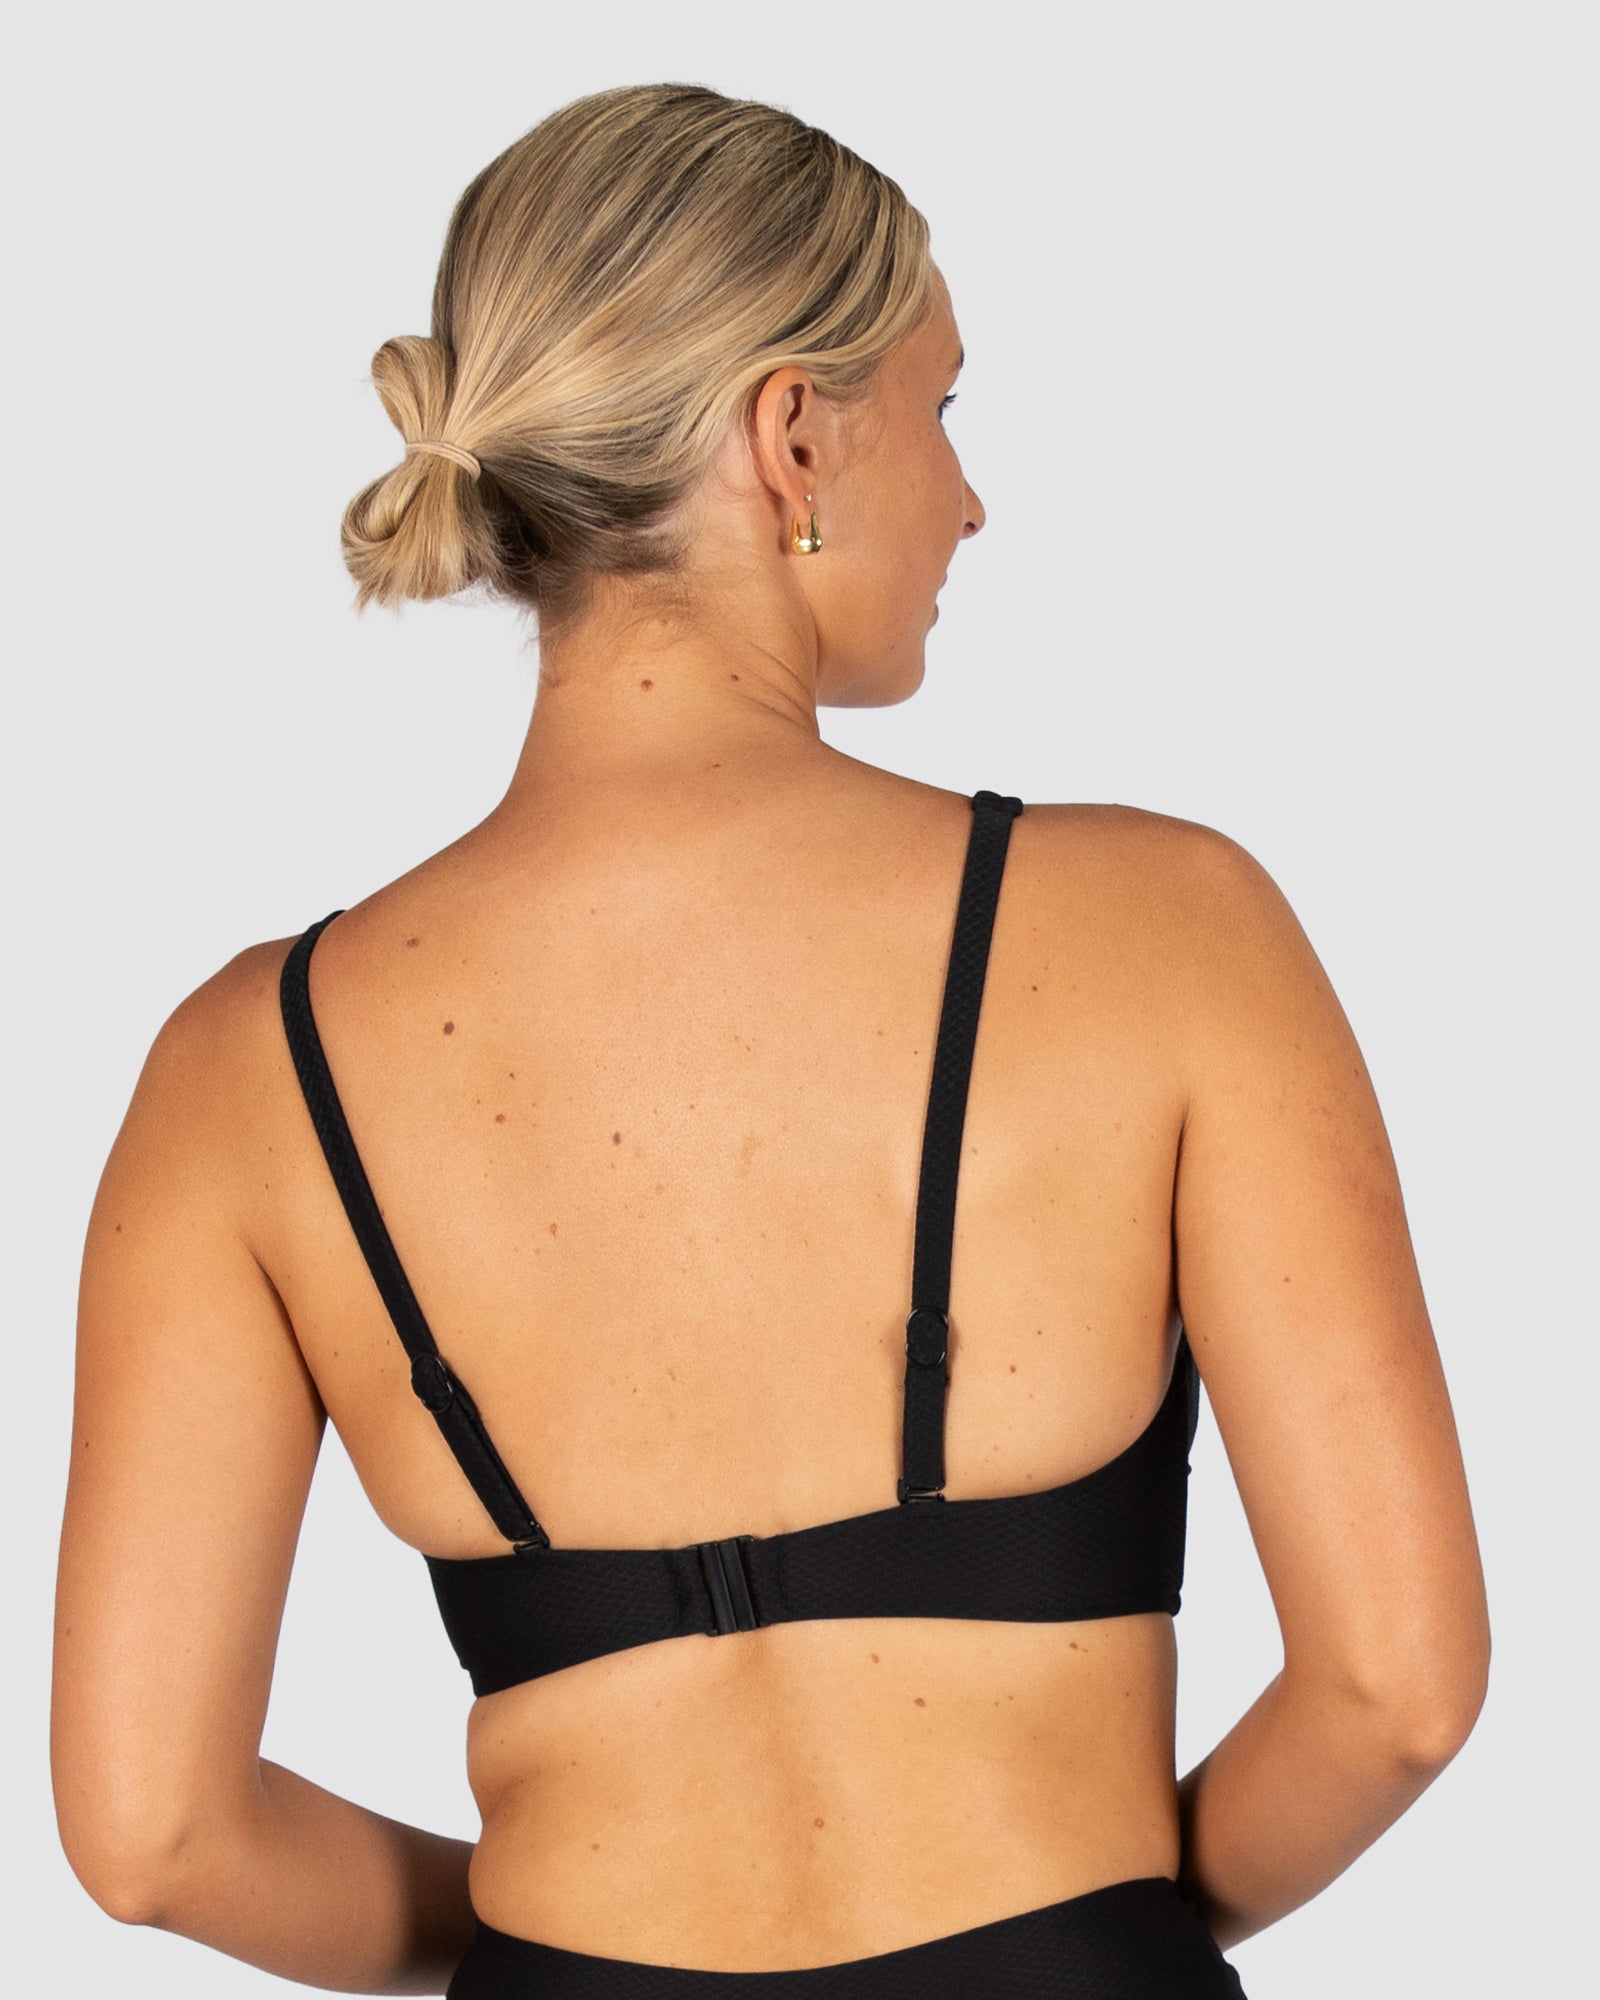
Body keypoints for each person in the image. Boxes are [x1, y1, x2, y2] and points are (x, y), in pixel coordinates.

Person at [51, 81, 1489, 1998]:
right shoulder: (1168, 932)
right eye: (947, 405)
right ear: (792, 434)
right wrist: (1099, 1928)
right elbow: (1397, 1689)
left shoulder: (244, 1071)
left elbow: (150, 1833)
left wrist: (545, 1946)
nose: (970, 497)